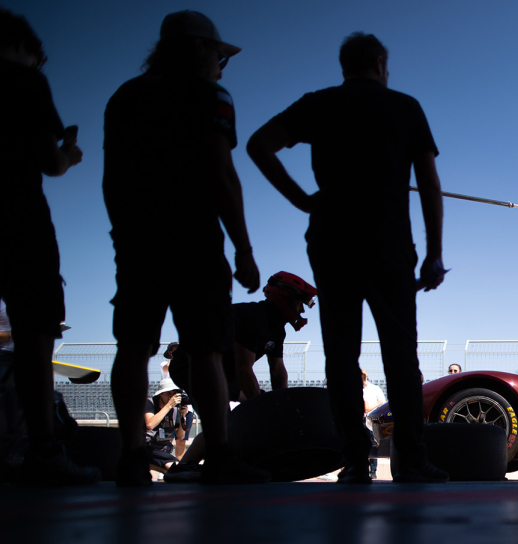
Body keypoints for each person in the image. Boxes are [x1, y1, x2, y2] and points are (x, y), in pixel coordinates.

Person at [248, 32, 448, 484]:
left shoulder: (318, 104)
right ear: (380, 63)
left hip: (332, 241)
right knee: (401, 354)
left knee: (340, 352)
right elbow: (430, 185)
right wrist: (434, 253)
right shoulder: (405, 107)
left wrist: (303, 200)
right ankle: (411, 463)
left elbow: (260, 144)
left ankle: (356, 460)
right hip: (388, 244)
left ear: (345, 65)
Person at [103, 10, 267, 487]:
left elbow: (113, 178)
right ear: (198, 49)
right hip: (195, 240)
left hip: (137, 239)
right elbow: (221, 173)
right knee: (207, 352)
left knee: (133, 347)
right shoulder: (210, 96)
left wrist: (123, 233)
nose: (221, 65)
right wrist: (244, 248)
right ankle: (218, 455)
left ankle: (132, 456)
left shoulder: (126, 98)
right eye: (219, 55)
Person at [0, 9, 98, 485]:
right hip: (18, 218)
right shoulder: (23, 82)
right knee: (35, 334)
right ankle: (43, 449)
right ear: (25, 48)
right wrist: (70, 155)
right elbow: (49, 162)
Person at [165, 271, 316, 481]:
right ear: (286, 298)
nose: (301, 310)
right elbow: (244, 369)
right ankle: (183, 467)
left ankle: (219, 461)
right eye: (301, 303)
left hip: (225, 373)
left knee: (253, 407)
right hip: (191, 366)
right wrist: (263, 411)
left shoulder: (277, 329)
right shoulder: (253, 318)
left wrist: (284, 409)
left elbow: (278, 372)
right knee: (223, 423)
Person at [144, 377, 191, 474]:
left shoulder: (175, 410)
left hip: (162, 450)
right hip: (147, 447)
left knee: (173, 469)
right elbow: (150, 425)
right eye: (168, 393)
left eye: (174, 393)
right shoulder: (149, 403)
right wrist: (168, 406)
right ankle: (147, 464)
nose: (172, 396)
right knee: (175, 468)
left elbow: (180, 436)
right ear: (160, 394)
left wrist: (182, 416)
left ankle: (150, 465)